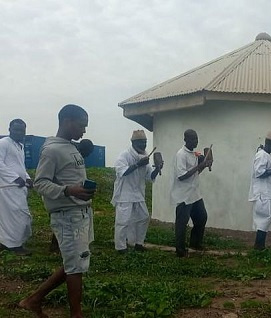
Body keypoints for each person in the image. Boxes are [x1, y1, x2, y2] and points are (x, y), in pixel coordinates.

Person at [19, 104, 95, 318]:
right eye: (82, 125)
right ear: (67, 121)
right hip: (67, 216)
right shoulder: (52, 150)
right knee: (75, 267)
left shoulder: (70, 146)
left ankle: (34, 300)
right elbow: (40, 183)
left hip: (81, 213)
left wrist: (82, 190)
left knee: (74, 262)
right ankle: (76, 314)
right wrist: (69, 190)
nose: (84, 131)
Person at [111, 130, 162, 253]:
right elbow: (122, 172)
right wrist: (138, 164)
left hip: (138, 194)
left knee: (143, 218)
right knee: (123, 221)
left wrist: (158, 169)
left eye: (145, 142)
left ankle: (138, 243)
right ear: (133, 142)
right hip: (125, 194)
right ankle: (120, 247)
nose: (143, 145)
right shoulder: (124, 155)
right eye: (141, 142)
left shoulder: (144, 156)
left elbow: (149, 176)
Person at [171, 129, 212, 258]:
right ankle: (180, 250)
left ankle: (195, 243)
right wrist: (199, 166)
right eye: (193, 139)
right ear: (185, 139)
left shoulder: (194, 154)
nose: (196, 141)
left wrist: (204, 165)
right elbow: (181, 176)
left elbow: (195, 173)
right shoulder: (181, 154)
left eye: (197, 139)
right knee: (182, 222)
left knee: (201, 217)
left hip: (194, 193)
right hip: (183, 194)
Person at [0, 119, 33, 256]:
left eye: (22, 130)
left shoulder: (20, 145)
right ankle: (14, 246)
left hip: (19, 187)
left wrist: (27, 178)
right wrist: (14, 178)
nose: (19, 132)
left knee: (19, 216)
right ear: (9, 129)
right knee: (16, 217)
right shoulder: (3, 143)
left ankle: (7, 242)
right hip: (7, 186)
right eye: (16, 129)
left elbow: (19, 166)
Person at [248, 131, 271, 250]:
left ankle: (260, 245)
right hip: (263, 194)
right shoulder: (262, 155)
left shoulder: (266, 155)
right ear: (269, 143)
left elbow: (268, 172)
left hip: (266, 193)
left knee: (265, 219)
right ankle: (259, 245)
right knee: (264, 219)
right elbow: (259, 173)